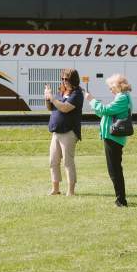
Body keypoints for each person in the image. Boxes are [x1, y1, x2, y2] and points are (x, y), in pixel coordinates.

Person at [85, 74, 132, 207]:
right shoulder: (121, 97)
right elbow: (104, 112)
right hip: (112, 137)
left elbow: (105, 110)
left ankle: (121, 200)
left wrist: (92, 100)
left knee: (114, 170)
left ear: (118, 86)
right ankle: (120, 198)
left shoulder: (122, 98)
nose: (109, 89)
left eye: (111, 86)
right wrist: (95, 105)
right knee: (115, 169)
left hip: (114, 137)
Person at [44, 68, 83, 196]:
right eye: (62, 79)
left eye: (66, 79)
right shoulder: (61, 91)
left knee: (68, 161)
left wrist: (53, 98)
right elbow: (51, 107)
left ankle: (70, 191)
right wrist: (47, 98)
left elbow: (65, 108)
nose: (64, 81)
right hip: (56, 131)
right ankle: (55, 189)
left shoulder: (77, 94)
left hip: (69, 132)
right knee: (53, 160)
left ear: (73, 80)